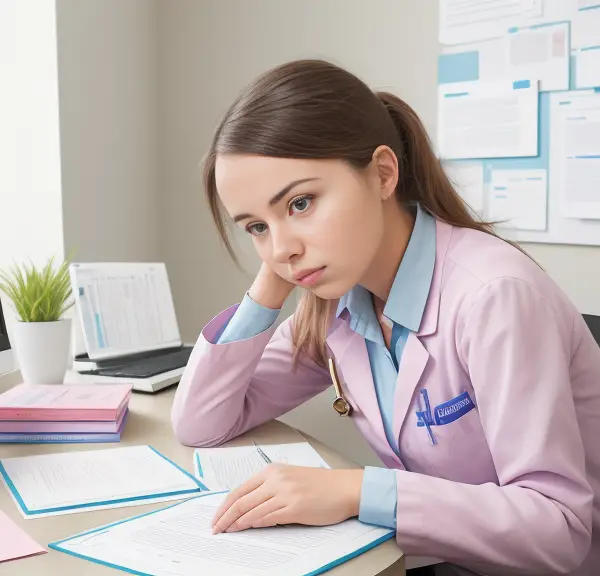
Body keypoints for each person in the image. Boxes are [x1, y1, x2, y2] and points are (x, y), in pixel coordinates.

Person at [171, 58, 600, 576]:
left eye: (301, 202)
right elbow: (201, 422)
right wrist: (270, 282)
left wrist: (357, 489)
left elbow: (560, 530)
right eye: (255, 226)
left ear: (382, 173)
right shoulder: (336, 306)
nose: (282, 246)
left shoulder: (494, 297)